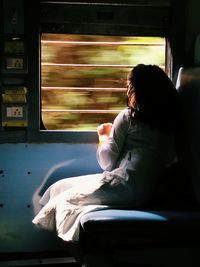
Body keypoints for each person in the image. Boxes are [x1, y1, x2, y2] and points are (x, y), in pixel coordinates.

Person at [32, 64, 182, 243]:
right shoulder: (170, 124)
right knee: (60, 186)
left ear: (135, 90)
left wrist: (104, 136)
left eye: (129, 87)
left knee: (66, 200)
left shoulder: (128, 117)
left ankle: (85, 254)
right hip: (145, 189)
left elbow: (107, 162)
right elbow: (169, 160)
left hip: (124, 187)